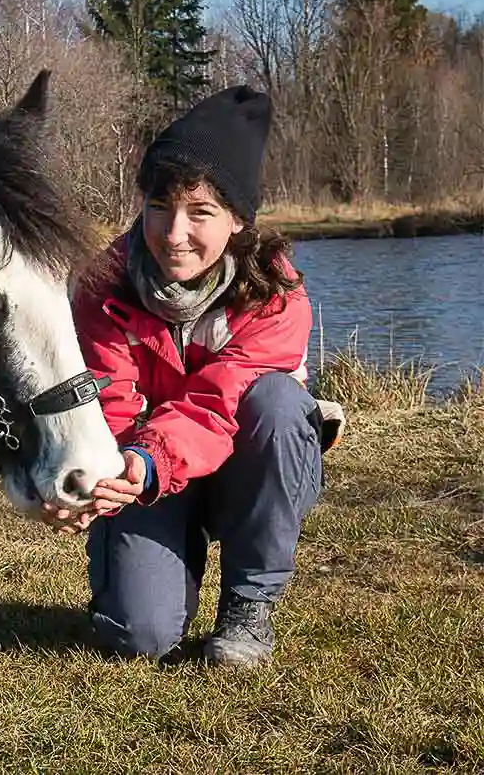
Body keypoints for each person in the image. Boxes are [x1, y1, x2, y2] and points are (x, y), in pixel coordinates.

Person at [48, 85, 345, 667]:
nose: (173, 231)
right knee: (138, 637)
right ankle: (153, 568)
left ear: (238, 220)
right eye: (159, 205)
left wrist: (148, 460)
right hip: (147, 471)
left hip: (244, 467)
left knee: (279, 404)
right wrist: (92, 483)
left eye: (200, 212)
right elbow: (106, 404)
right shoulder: (103, 285)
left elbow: (218, 404)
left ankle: (248, 608)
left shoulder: (277, 293)